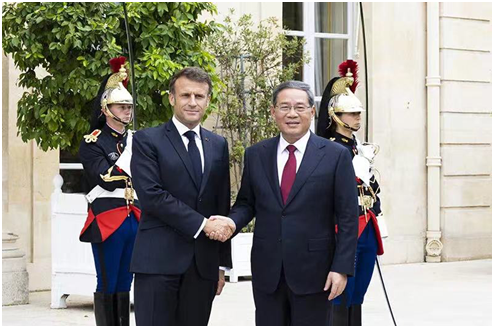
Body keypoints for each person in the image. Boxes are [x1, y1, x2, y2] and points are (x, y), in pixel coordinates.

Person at [210, 80, 359, 325]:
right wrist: (231, 222)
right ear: (273, 112)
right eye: (284, 107)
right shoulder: (256, 154)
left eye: (300, 107)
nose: (292, 114)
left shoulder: (335, 156)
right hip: (268, 271)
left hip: (316, 272)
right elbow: (247, 203)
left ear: (312, 111)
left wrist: (341, 268)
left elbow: (347, 217)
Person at [129, 67, 234, 326]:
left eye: (199, 96)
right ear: (172, 98)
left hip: (203, 267)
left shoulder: (217, 144)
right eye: (185, 95)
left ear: (208, 100)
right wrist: (203, 225)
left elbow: (221, 203)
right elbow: (153, 196)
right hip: (157, 263)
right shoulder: (146, 140)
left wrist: (221, 265)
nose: (192, 102)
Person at [316, 59, 384, 326]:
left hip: (366, 225)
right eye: (352, 113)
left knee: (358, 292)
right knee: (341, 293)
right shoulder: (330, 148)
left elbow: (371, 187)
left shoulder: (357, 147)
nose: (358, 117)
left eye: (358, 113)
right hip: (344, 228)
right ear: (336, 116)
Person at [79, 56, 140, 326]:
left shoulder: (137, 139)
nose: (127, 111)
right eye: (121, 106)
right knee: (107, 280)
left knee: (126, 280)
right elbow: (106, 178)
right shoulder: (92, 141)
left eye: (129, 106)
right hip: (107, 217)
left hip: (134, 216)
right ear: (106, 108)